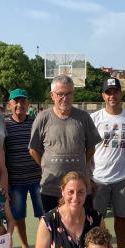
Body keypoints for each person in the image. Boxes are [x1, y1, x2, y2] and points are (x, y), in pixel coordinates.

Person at [29, 75, 101, 212]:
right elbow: (33, 149)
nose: (65, 98)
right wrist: (46, 165)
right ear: (52, 95)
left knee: (83, 228)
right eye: (60, 94)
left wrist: (82, 164)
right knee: (53, 229)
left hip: (79, 189)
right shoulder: (42, 118)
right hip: (51, 189)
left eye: (69, 93)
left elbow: (91, 147)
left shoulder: (83, 117)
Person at [90, 77, 125, 248]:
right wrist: (88, 175)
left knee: (121, 218)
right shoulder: (95, 118)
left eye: (115, 91)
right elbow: (88, 148)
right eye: (108, 92)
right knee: (97, 220)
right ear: (103, 95)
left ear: (121, 93)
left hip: (123, 177)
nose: (112, 95)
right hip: (98, 177)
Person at [4, 88, 43, 248]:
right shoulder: (5, 126)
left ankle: (46, 245)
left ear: (28, 104)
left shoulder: (36, 123)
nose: (19, 104)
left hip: (37, 178)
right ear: (10, 104)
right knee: (18, 216)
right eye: (15, 101)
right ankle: (25, 247)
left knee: (43, 215)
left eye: (22, 101)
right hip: (16, 180)